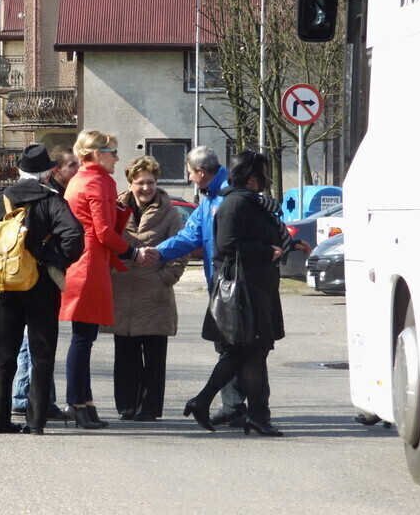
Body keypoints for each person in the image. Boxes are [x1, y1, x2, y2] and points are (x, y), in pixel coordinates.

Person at [0, 144, 84, 435]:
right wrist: (48, 256)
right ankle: (36, 421)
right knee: (42, 356)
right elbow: (75, 236)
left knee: (3, 358)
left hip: (4, 285)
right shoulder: (52, 200)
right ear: (48, 172)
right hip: (41, 286)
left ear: (19, 171)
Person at [184, 150, 307, 436]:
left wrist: (291, 243)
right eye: (264, 173)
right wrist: (266, 251)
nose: (267, 178)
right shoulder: (235, 203)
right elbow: (226, 245)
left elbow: (261, 235)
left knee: (252, 351)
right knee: (251, 350)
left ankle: (216, 405)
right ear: (252, 177)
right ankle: (255, 414)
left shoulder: (254, 204)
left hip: (258, 286)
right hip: (244, 290)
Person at [143, 147, 246, 426]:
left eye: (189, 172)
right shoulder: (211, 196)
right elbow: (192, 235)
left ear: (201, 172)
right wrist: (159, 252)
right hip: (221, 283)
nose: (188, 178)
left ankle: (240, 407)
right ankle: (239, 406)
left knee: (237, 346)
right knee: (229, 345)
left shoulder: (227, 195)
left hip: (236, 284)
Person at [59, 130, 152, 430]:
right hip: (89, 264)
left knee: (83, 338)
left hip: (85, 262)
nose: (117, 157)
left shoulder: (81, 179)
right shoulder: (97, 182)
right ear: (97, 153)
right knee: (83, 339)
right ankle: (77, 402)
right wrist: (133, 252)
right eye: (112, 151)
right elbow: (103, 232)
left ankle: (83, 402)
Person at [101, 156, 188, 421]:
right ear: (130, 183)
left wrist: (166, 277)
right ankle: (127, 407)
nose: (146, 188)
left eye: (150, 182)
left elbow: (180, 248)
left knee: (153, 357)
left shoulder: (169, 212)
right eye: (140, 182)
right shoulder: (116, 207)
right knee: (125, 355)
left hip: (155, 294)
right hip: (123, 292)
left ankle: (148, 409)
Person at [11, 145, 80, 421]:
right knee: (35, 340)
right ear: (55, 170)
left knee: (28, 340)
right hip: (33, 274)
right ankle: (28, 397)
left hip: (13, 272)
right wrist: (54, 258)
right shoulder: (49, 197)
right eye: (71, 165)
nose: (77, 170)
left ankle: (28, 396)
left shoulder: (17, 194)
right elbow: (73, 235)